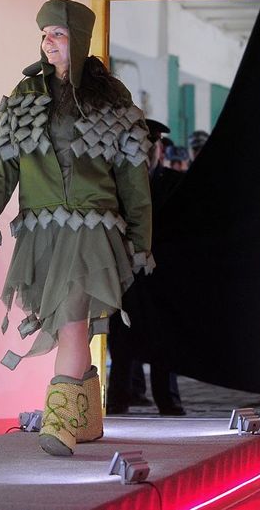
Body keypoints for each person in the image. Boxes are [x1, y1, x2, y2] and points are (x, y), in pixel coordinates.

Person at [0, 0, 153, 456]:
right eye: (45, 34)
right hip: (41, 232)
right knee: (71, 321)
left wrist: (141, 241)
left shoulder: (111, 99)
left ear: (80, 41)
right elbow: (1, 167)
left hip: (93, 230)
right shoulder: (26, 97)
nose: (49, 42)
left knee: (69, 320)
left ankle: (61, 422)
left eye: (59, 35)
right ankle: (88, 420)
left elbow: (133, 180)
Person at [107, 119, 186, 416]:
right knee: (122, 334)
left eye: (150, 145)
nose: (146, 151)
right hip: (128, 272)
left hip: (164, 274)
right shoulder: (117, 183)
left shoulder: (176, 184)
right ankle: (119, 398)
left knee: (166, 335)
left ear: (159, 150)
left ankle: (168, 400)